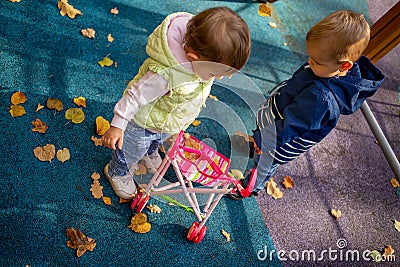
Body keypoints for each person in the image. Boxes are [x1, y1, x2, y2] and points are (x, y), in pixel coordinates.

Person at [228, 9, 385, 199]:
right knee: (264, 145)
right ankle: (258, 144)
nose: (309, 62)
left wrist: (266, 140)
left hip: (281, 140)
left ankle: (251, 186)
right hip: (277, 123)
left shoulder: (322, 99)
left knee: (265, 163)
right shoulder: (325, 68)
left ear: (344, 66)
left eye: (315, 61)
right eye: (309, 57)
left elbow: (292, 125)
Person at [101, 7, 251, 199]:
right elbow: (135, 95)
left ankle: (150, 151)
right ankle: (117, 171)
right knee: (131, 150)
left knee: (157, 140)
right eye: (215, 73)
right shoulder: (166, 75)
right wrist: (118, 124)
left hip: (166, 120)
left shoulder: (202, 61)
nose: (219, 78)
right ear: (193, 58)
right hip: (143, 123)